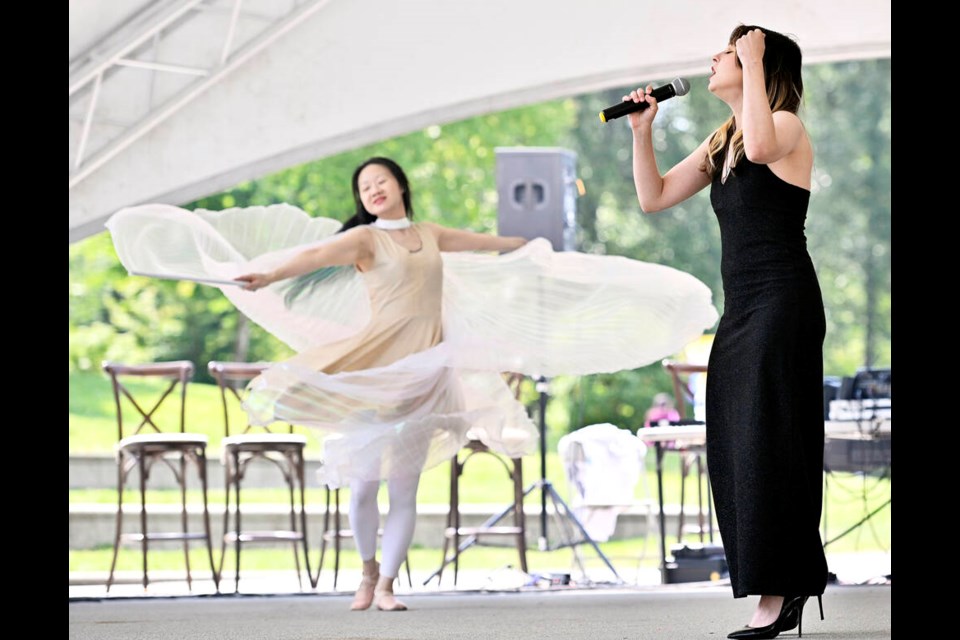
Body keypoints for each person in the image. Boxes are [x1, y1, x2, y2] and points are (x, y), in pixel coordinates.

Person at [105, 156, 720, 611]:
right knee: (363, 483)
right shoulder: (363, 239)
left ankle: (390, 584)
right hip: (376, 365)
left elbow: (486, 246)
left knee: (403, 487)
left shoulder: (429, 235)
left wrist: (532, 249)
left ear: (399, 184)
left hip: (429, 370)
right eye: (363, 188)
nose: (372, 191)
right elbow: (310, 258)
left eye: (380, 182)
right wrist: (263, 275)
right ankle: (366, 573)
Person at [623, 25, 828, 639]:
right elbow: (653, 198)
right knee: (738, 444)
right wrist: (642, 133)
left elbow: (764, 149)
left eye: (728, 51)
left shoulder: (782, 125)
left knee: (770, 442)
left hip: (783, 300)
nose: (715, 58)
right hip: (742, 309)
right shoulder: (723, 141)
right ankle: (774, 582)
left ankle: (779, 591)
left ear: (757, 62)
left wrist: (756, 56)